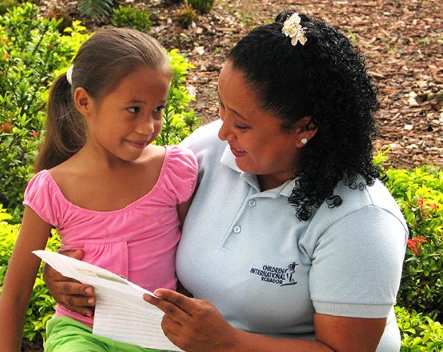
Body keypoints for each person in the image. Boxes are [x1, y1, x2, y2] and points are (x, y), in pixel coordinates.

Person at [44, 11, 408, 352]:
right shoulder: (205, 153)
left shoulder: (360, 220)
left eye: (242, 124)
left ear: (305, 128)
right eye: (222, 109)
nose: (222, 132)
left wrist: (229, 342)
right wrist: (73, 279)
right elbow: (134, 231)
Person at [0, 27, 198, 352]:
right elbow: (17, 291)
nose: (148, 127)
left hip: (159, 335)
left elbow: (196, 259)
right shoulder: (53, 188)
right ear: (85, 102)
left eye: (157, 109)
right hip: (82, 334)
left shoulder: (172, 170)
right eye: (134, 109)